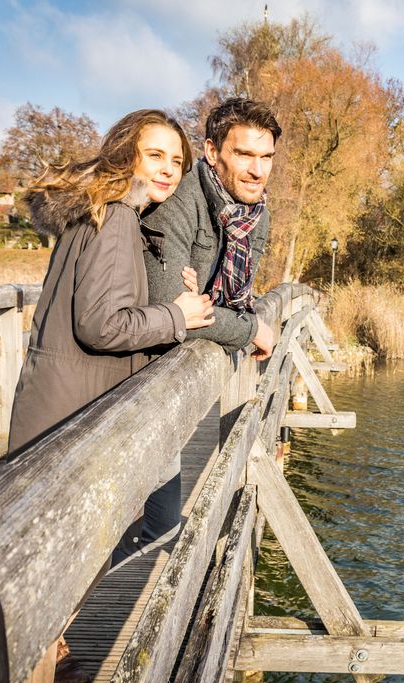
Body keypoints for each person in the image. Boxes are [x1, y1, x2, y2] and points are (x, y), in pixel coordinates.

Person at [6, 109, 214, 683]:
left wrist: (169, 301)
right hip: (72, 415)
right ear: (126, 153)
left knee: (51, 566)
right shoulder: (117, 217)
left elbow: (99, 313)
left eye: (178, 161)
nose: (170, 171)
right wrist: (178, 317)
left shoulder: (97, 212)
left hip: (62, 404)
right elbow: (102, 326)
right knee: (51, 569)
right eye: (157, 156)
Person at [109, 98, 282, 562]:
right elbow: (173, 311)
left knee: (159, 518)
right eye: (244, 154)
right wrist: (251, 332)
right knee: (138, 517)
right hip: (136, 373)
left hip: (174, 367)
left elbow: (228, 300)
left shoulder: (255, 213)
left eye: (266, 157)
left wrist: (214, 304)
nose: (257, 170)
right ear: (211, 152)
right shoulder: (177, 205)